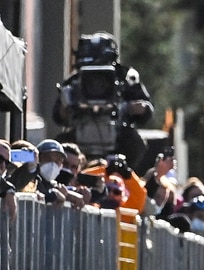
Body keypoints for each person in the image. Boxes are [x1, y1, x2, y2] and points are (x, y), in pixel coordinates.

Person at [51, 32, 154, 172]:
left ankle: (124, 176)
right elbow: (58, 115)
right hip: (81, 131)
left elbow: (146, 109)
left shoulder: (126, 77)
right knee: (57, 145)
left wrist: (137, 108)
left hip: (117, 133)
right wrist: (65, 108)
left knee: (136, 143)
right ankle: (65, 176)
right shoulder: (74, 81)